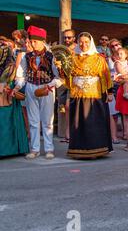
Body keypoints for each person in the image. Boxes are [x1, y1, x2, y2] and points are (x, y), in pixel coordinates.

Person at [13, 26, 63, 160]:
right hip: (30, 87)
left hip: (46, 88)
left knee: (47, 121)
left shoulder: (52, 56)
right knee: (33, 120)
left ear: (42, 41)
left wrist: (50, 86)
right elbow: (21, 74)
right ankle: (34, 149)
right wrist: (17, 86)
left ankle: (49, 149)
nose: (31, 44)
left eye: (35, 41)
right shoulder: (27, 56)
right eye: (31, 41)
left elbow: (60, 77)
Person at [65, 33, 114, 159]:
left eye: (86, 42)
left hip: (95, 95)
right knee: (78, 123)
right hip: (78, 96)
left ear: (90, 42)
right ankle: (79, 150)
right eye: (81, 42)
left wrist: (109, 92)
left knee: (94, 123)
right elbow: (67, 77)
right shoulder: (72, 58)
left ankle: (97, 149)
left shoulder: (99, 58)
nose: (83, 44)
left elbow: (106, 75)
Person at [0, 45, 29, 157]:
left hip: (8, 96)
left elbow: (13, 80)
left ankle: (10, 149)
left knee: (9, 123)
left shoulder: (10, 67)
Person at [58, 29, 77, 143]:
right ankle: (67, 135)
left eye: (69, 37)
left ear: (74, 38)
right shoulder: (61, 49)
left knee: (70, 106)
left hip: (74, 82)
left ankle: (70, 135)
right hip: (62, 81)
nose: (67, 39)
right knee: (63, 108)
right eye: (65, 37)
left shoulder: (78, 49)